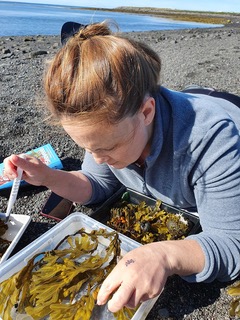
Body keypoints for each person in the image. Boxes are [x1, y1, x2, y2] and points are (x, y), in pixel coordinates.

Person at [3, 21, 240, 313]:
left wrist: (163, 256)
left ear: (146, 112)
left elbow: (231, 245)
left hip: (227, 109)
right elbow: (98, 184)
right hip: (173, 99)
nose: (97, 157)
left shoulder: (212, 139)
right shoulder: (107, 125)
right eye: (87, 146)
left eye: (108, 147)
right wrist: (47, 176)